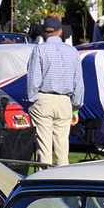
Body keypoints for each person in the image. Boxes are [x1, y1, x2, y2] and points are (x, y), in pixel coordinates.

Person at [25, 15, 85, 169]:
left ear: (44, 33)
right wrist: (76, 107)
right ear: (60, 32)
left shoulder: (39, 50)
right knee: (62, 148)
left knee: (44, 146)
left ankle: (44, 182)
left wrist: (31, 100)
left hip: (43, 99)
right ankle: (64, 182)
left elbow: (33, 79)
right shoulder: (73, 52)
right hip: (64, 100)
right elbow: (78, 82)